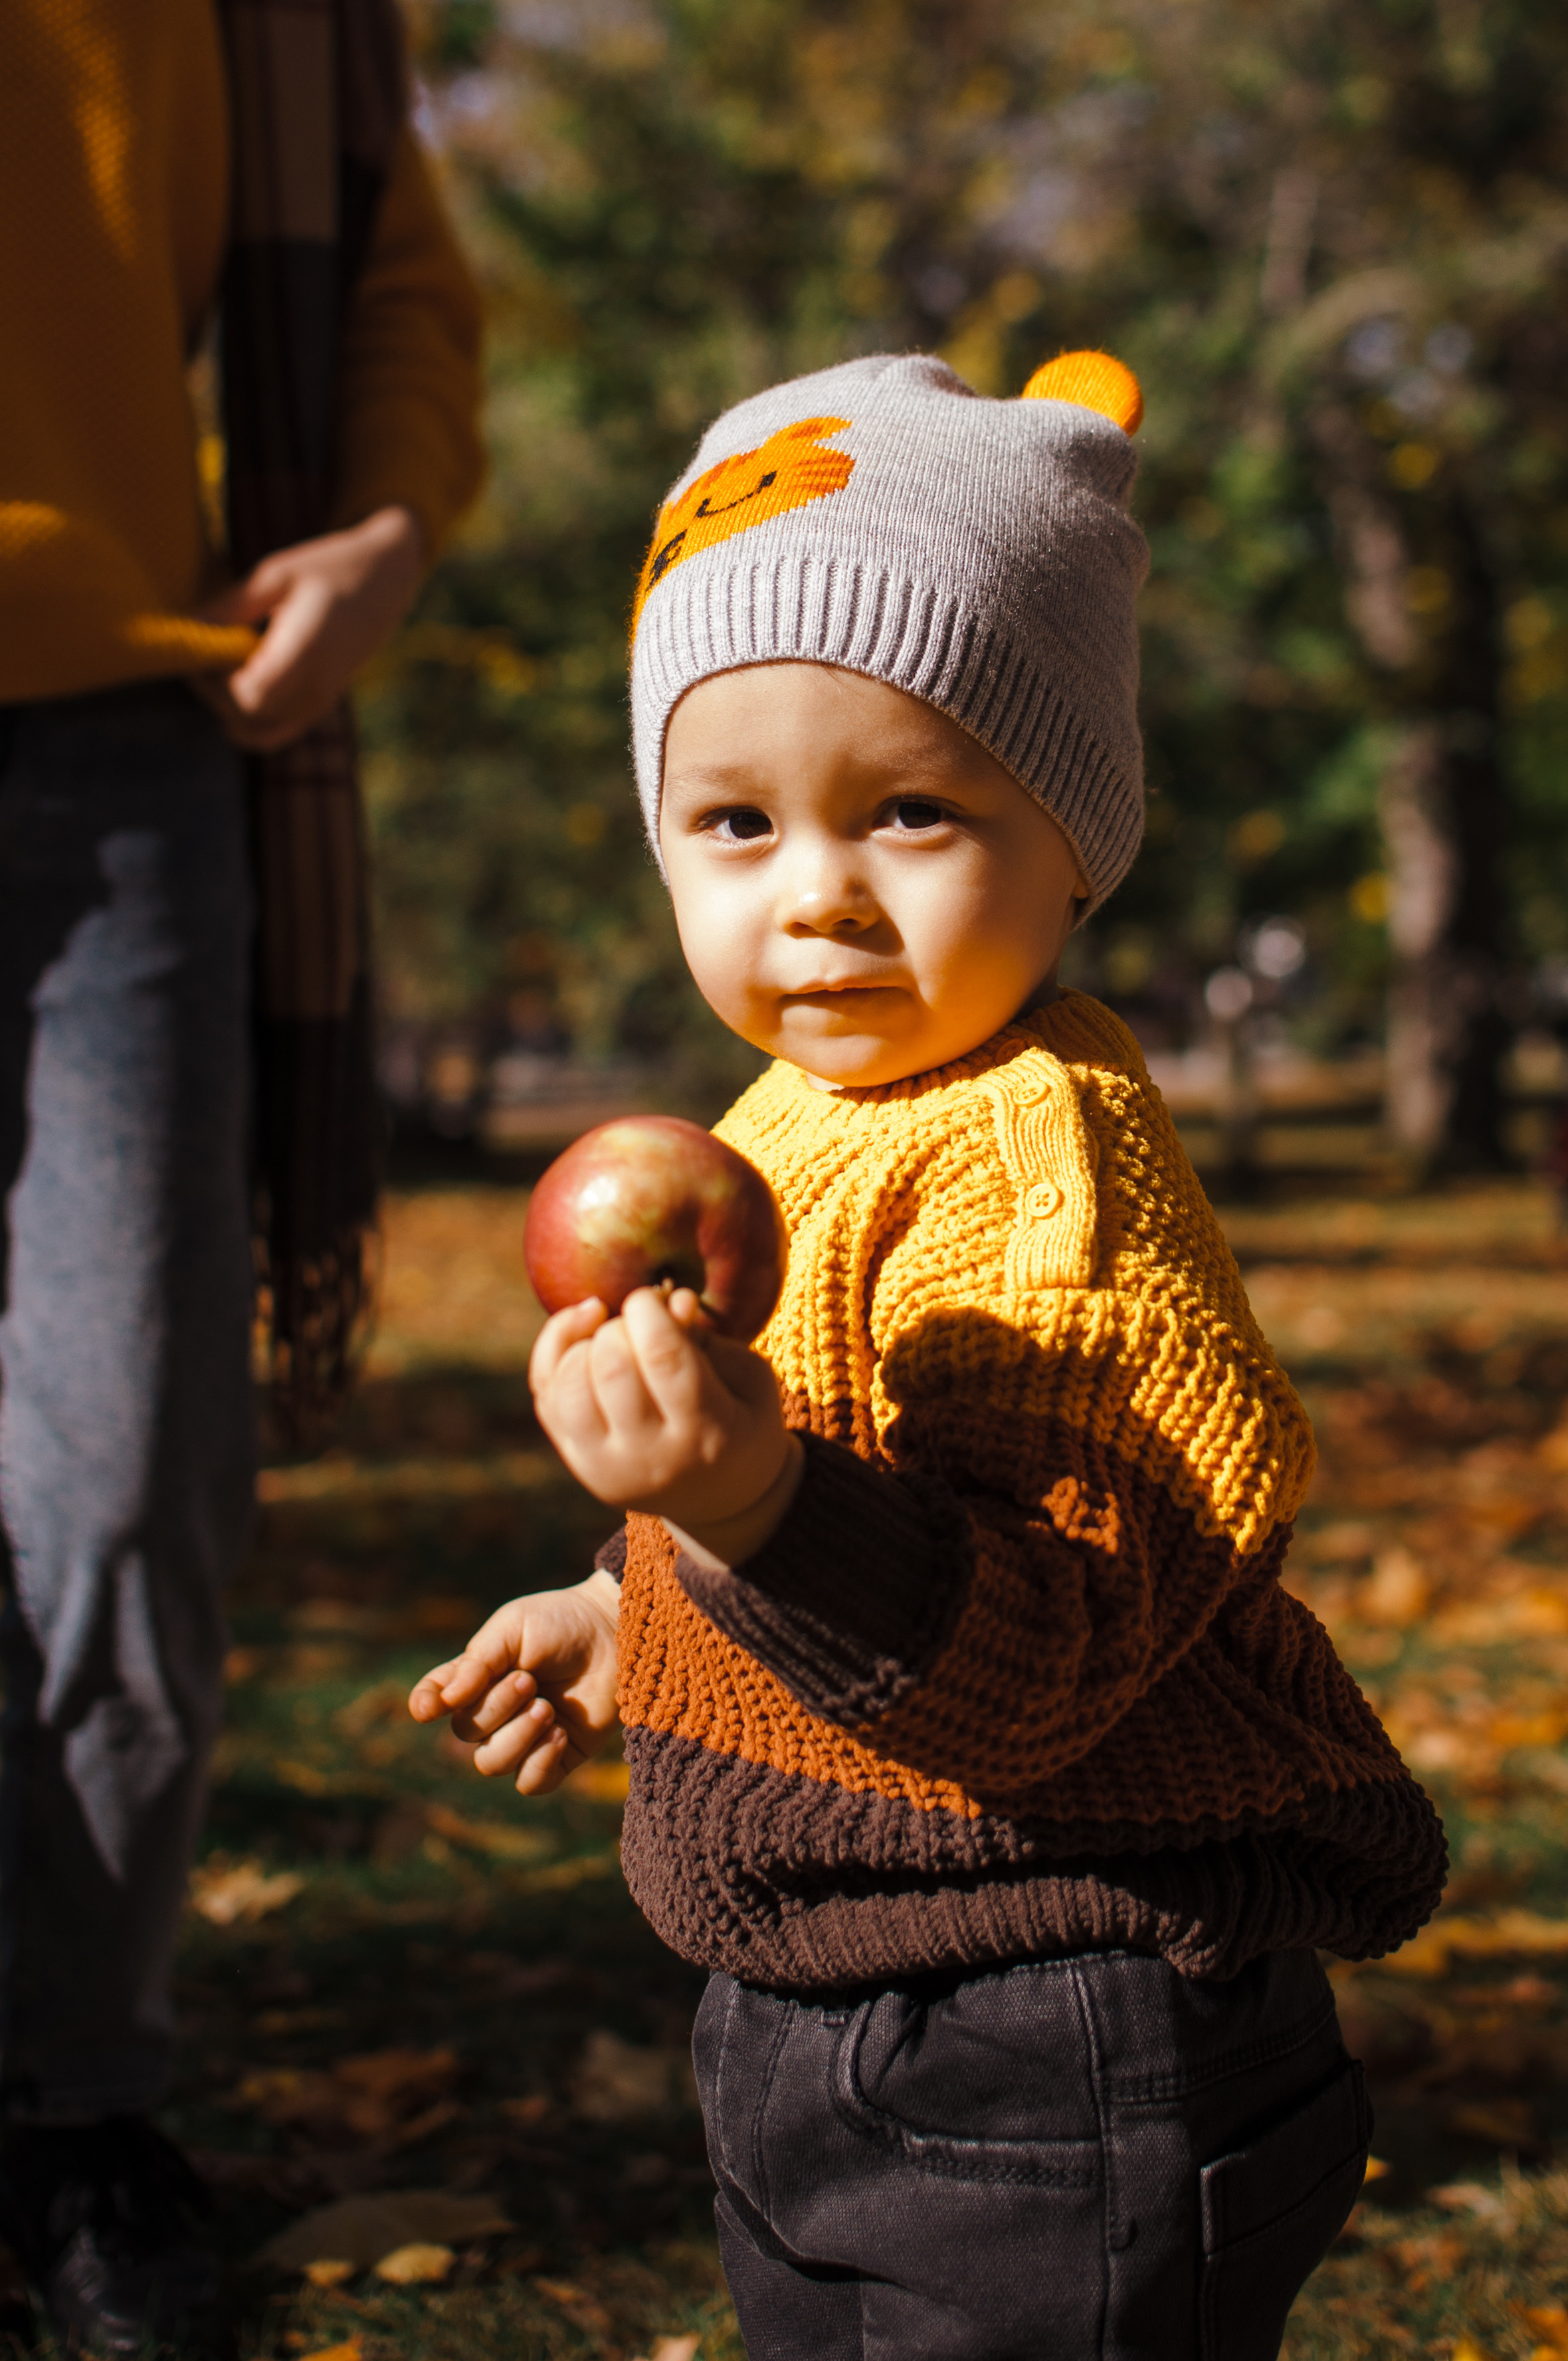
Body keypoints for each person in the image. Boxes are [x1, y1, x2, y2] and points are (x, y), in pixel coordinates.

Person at [410, 350, 1445, 2359]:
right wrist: (639, 1608)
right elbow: (829, 1502)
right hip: (826, 1999)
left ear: (1074, 840)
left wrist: (744, 1500)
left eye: (909, 809)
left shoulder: (1044, 1171)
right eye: (735, 820)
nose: (819, 895)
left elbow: (1036, 1644)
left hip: (1052, 2023)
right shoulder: (787, 1126)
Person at [1, 1, 484, 2350]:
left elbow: (386, 253)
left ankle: (73, 2107)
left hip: (126, 746)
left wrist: (389, 524)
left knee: (129, 1460)